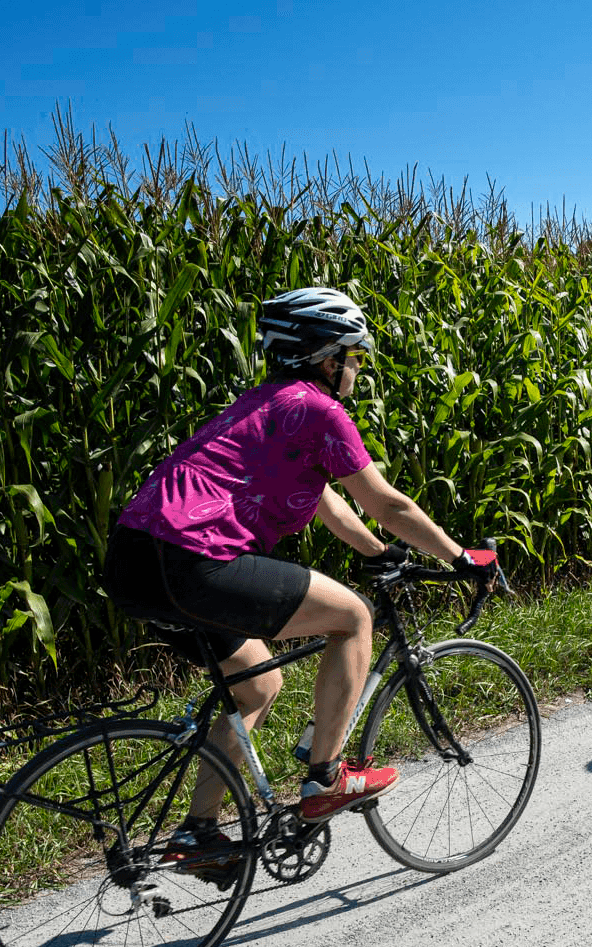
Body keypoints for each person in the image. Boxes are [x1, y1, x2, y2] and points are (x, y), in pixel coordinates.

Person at [103, 286, 494, 865]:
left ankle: (198, 833)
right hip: (194, 559)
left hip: (133, 561)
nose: (357, 368)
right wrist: (460, 556)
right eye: (353, 356)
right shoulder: (318, 410)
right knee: (353, 617)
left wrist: (376, 551)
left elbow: (320, 499)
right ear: (326, 358)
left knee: (257, 683)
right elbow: (389, 503)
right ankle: (326, 779)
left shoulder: (263, 404)